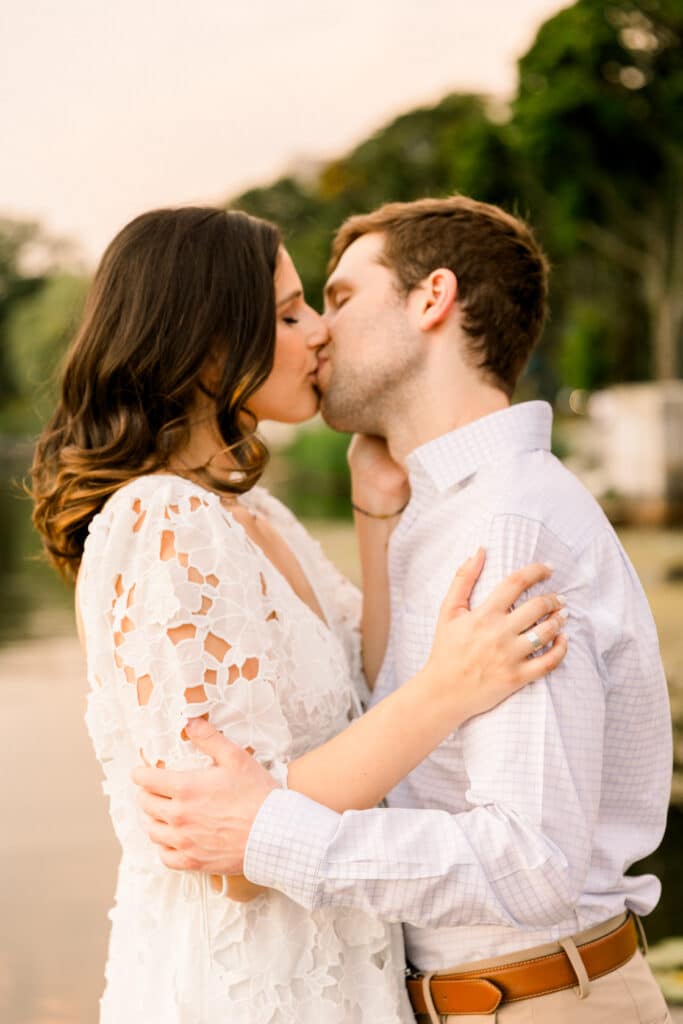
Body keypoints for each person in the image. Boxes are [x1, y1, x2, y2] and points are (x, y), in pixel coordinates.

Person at [135, 197, 673, 1023]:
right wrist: (376, 515)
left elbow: (530, 861)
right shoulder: (439, 515)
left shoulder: (507, 529)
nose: (317, 331)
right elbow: (394, 739)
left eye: (341, 299)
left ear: (432, 299)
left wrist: (269, 832)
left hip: (541, 1002)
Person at [31, 206, 568, 1024]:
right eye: (288, 314)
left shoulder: (259, 518)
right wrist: (450, 689)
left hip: (342, 972)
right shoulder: (157, 522)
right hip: (246, 991)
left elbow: (366, 696)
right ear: (207, 344)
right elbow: (232, 852)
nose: (321, 331)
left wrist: (374, 511)